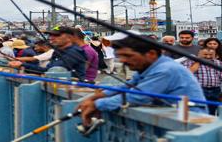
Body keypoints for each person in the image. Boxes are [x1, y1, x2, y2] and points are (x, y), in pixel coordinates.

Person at [78, 34, 208, 127]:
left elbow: (138, 96)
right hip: (171, 118)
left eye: (128, 56)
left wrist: (97, 104)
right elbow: (127, 87)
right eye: (120, 56)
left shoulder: (165, 69)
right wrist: (94, 98)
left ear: (151, 54)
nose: (122, 60)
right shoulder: (149, 67)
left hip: (190, 122)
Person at [9, 26, 87, 80]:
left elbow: (51, 71)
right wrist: (21, 64)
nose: (51, 38)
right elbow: (48, 70)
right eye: (50, 35)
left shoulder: (74, 52)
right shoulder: (58, 51)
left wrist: (22, 64)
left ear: (70, 37)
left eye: (56, 35)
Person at [185, 47, 222, 115]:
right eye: (205, 54)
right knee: (200, 109)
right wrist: (198, 61)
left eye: (211, 55)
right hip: (199, 89)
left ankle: (211, 124)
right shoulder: (191, 61)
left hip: (215, 90)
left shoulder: (218, 63)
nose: (208, 56)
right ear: (199, 54)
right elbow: (188, 73)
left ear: (215, 55)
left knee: (213, 110)